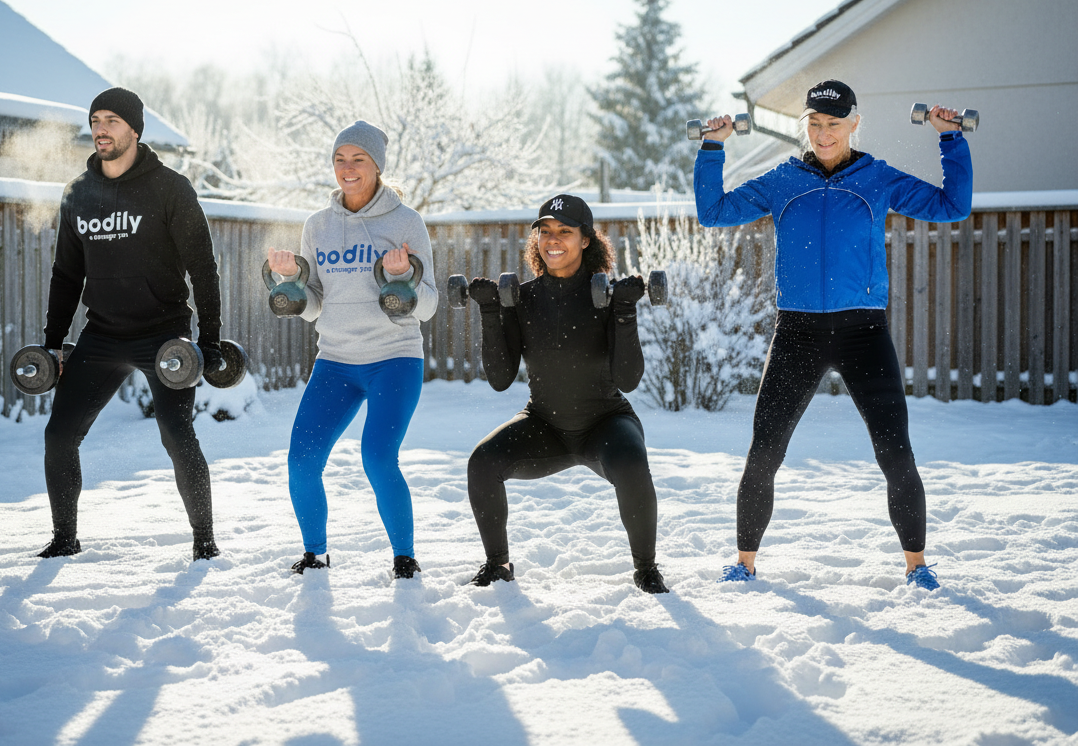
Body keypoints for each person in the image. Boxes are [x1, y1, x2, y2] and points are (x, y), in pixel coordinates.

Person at [694, 79, 973, 590]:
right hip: (797, 331)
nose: (824, 135)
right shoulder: (782, 180)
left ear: (854, 124)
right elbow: (713, 212)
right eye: (815, 124)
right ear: (806, 125)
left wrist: (951, 140)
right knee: (765, 449)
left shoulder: (877, 179)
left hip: (863, 331)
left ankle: (917, 566)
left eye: (834, 125)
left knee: (895, 451)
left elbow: (952, 206)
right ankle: (744, 563)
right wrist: (712, 147)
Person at [39, 87, 224, 561]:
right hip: (101, 335)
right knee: (59, 435)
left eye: (112, 120)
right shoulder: (77, 194)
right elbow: (66, 273)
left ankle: (204, 542)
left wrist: (209, 340)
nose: (101, 128)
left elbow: (202, 266)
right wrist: (53, 343)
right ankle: (64, 539)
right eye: (96, 119)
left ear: (135, 130)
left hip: (164, 335)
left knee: (176, 434)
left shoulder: (170, 187)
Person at [465, 194, 668, 594]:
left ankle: (646, 569)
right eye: (545, 231)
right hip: (545, 424)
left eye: (565, 231)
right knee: (482, 463)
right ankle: (498, 565)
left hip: (606, 423)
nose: (552, 239)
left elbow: (628, 379)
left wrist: (625, 312)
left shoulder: (608, 296)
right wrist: (491, 312)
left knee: (631, 463)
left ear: (586, 240)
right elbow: (501, 378)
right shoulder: (521, 298)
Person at [267, 120, 437, 580]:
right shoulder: (318, 226)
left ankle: (405, 558)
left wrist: (404, 282)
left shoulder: (406, 223)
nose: (347, 168)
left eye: (358, 158)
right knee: (302, 458)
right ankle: (314, 556)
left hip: (394, 358)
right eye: (340, 158)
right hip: (336, 361)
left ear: (377, 165)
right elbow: (314, 303)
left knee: (377, 456)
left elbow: (429, 306)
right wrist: (291, 284)